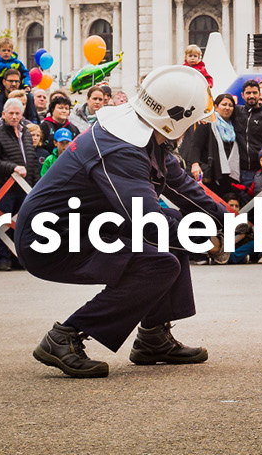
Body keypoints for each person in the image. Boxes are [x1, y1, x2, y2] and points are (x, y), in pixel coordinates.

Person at [16, 65, 227, 378]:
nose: (193, 129)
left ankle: (153, 339)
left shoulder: (143, 132)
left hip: (86, 227)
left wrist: (226, 222)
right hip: (51, 238)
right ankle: (65, 336)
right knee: (162, 259)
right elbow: (148, 221)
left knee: (176, 231)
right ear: (174, 120)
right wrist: (205, 239)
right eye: (192, 122)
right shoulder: (121, 148)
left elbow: (182, 185)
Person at [0, 98, 41, 268]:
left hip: (25, 187)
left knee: (23, 225)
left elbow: (31, 161)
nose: (15, 117)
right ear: (3, 114)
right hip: (4, 187)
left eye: (18, 114)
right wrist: (13, 168)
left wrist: (36, 186)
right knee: (1, 224)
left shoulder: (26, 135)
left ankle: (19, 259)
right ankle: (2, 259)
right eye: (11, 113)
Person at [179, 94, 242, 197]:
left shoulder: (234, 125)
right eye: (224, 104)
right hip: (212, 172)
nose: (227, 108)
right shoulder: (207, 122)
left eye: (230, 105)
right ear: (216, 107)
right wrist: (195, 164)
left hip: (228, 173)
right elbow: (196, 145)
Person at [233, 80, 262, 188]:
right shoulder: (236, 112)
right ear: (242, 95)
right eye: (248, 93)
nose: (251, 96)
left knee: (259, 204)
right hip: (239, 170)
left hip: (261, 171)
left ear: (260, 94)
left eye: (254, 93)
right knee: (241, 203)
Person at [39, 94, 79, 158]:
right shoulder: (44, 127)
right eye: (60, 108)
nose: (64, 111)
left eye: (66, 108)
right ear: (52, 110)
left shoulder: (74, 129)